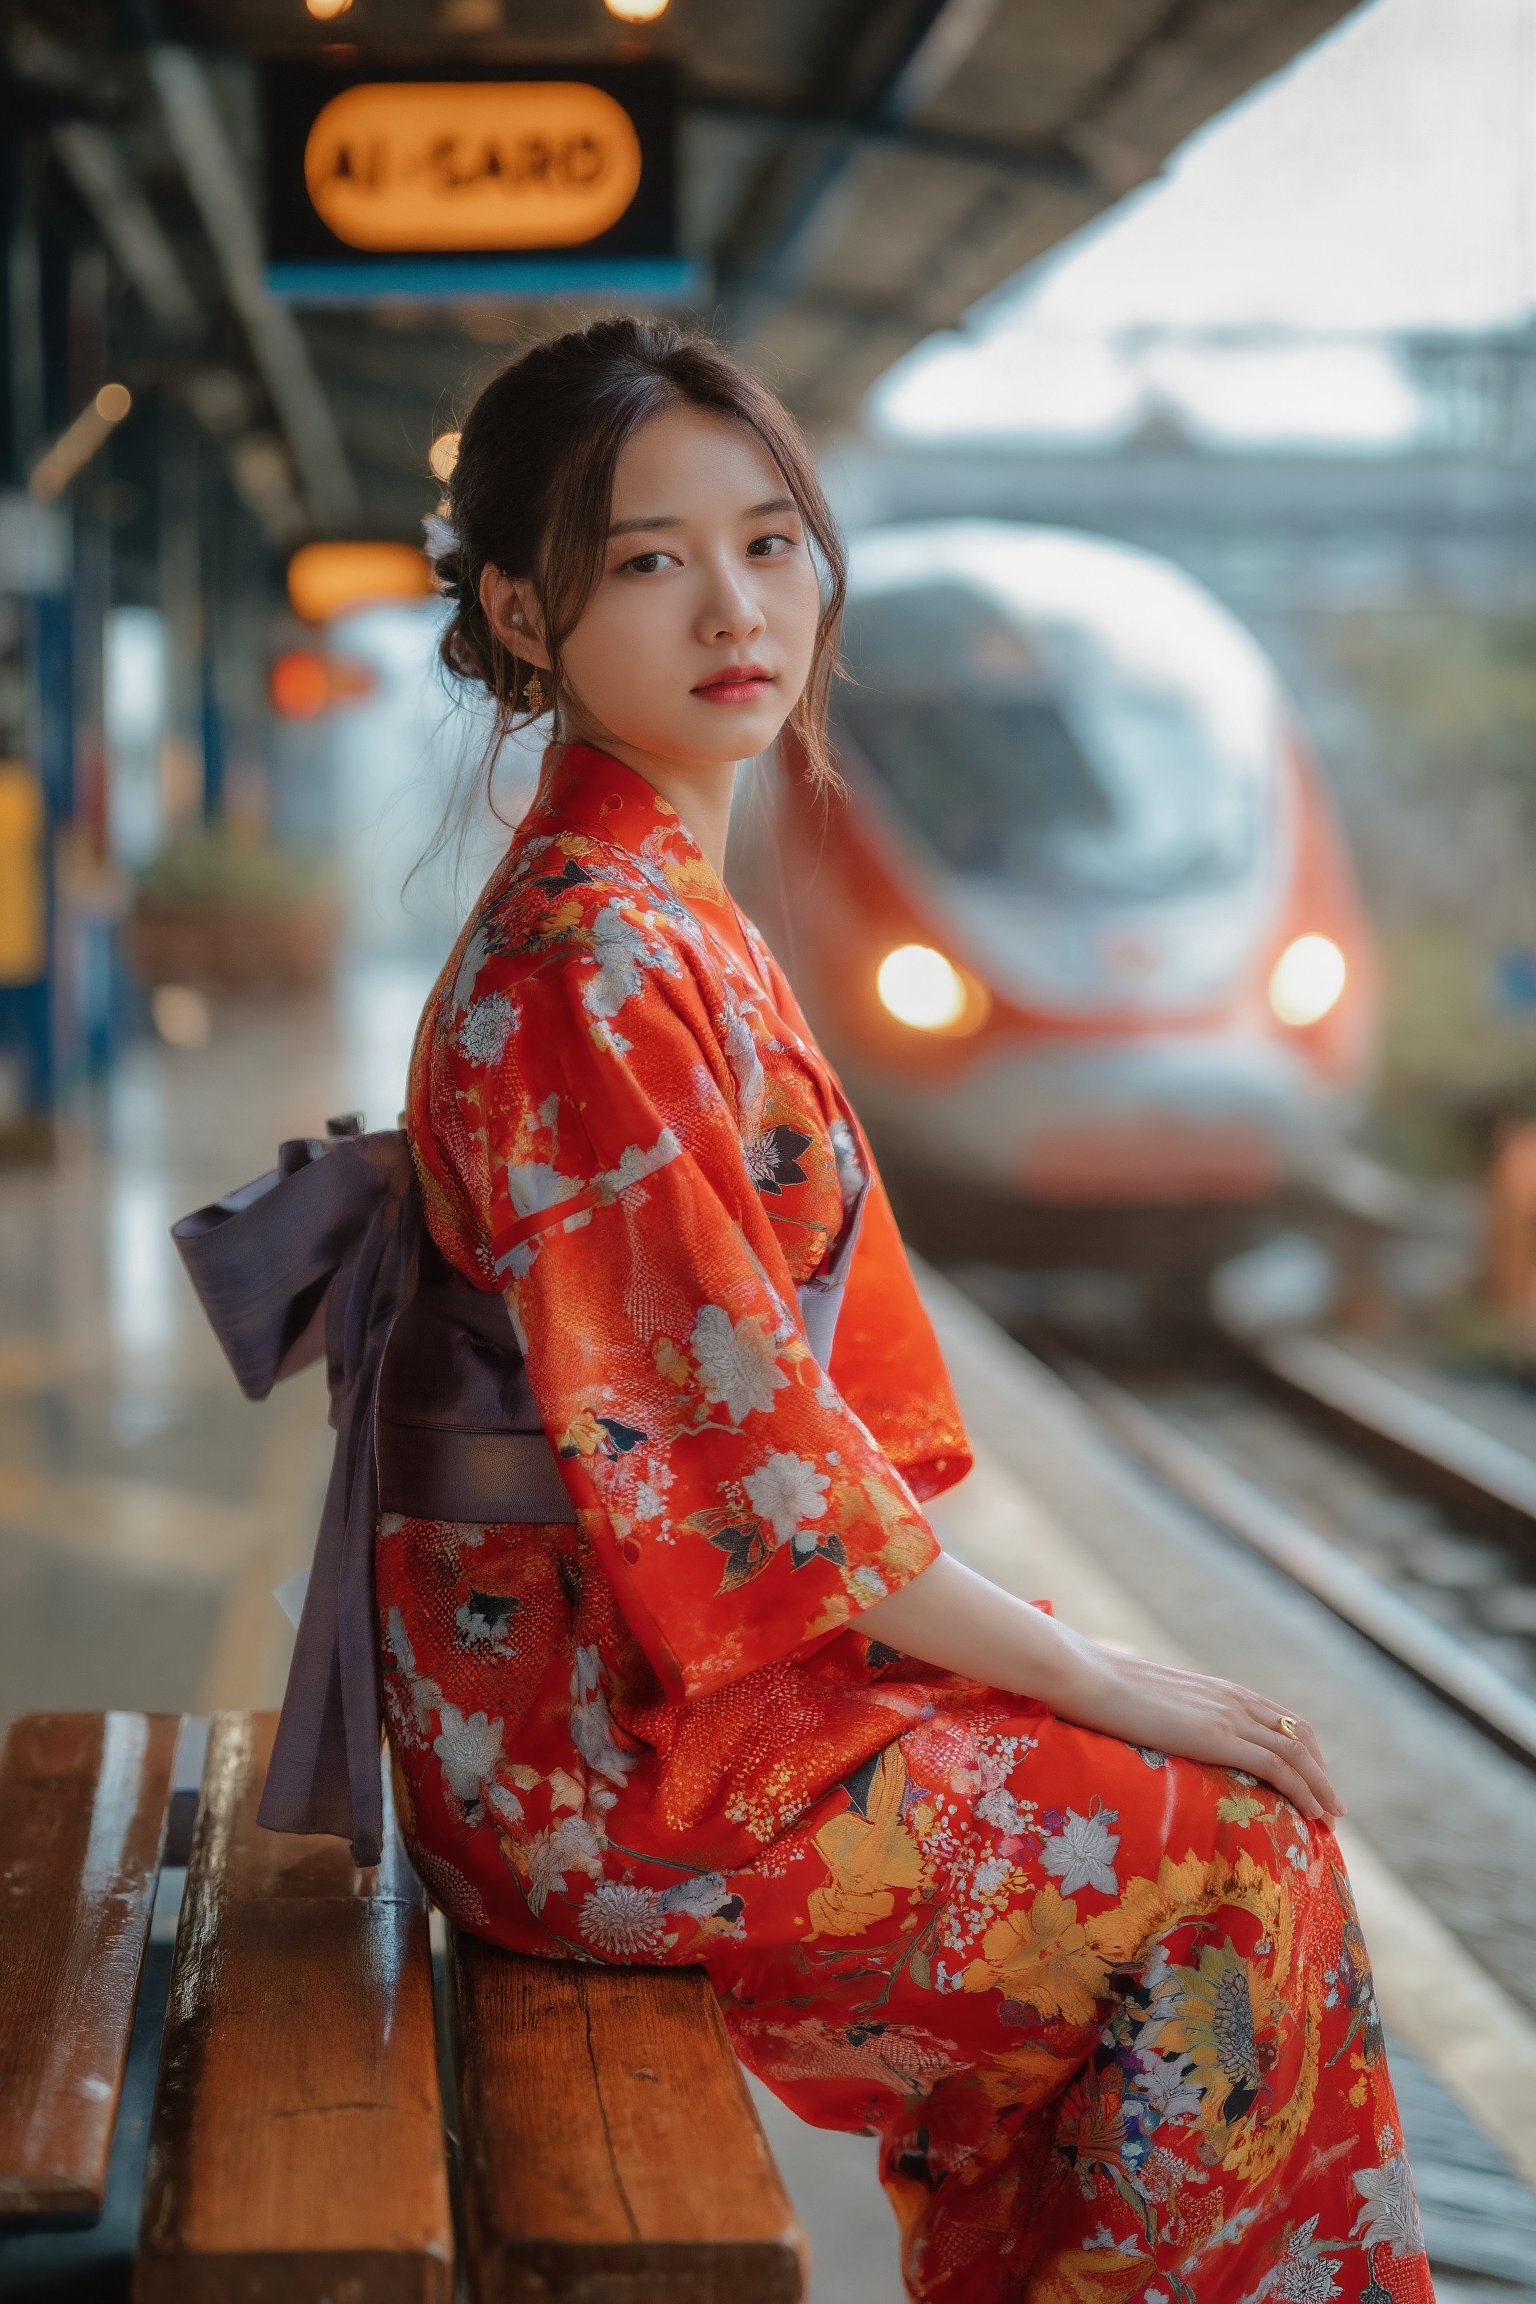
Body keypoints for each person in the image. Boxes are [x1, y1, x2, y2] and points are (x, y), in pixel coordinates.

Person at [379, 316, 1431, 2303]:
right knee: (1223, 1862)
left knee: (1200, 1827)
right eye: (647, 560)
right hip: (598, 1770)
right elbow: (751, 1468)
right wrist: (1095, 1673)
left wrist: (1056, 1675)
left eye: (771, 544)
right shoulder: (596, 964)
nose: (733, 609)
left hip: (613, 1692)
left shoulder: (647, 910)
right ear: (522, 611)